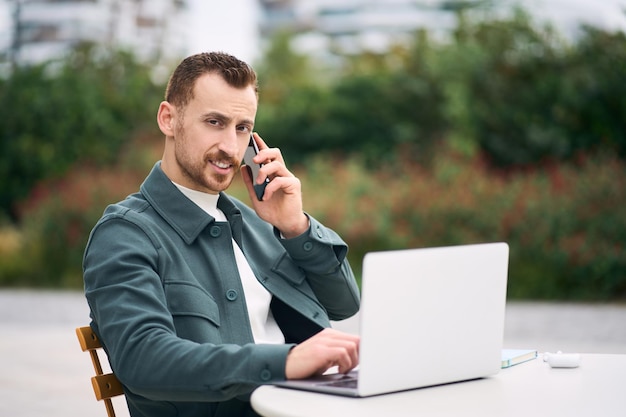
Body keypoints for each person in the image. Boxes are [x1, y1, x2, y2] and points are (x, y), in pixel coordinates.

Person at [82, 51, 361, 417]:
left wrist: (296, 228)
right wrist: (285, 360)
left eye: (242, 128)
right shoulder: (125, 234)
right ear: (169, 119)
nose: (231, 147)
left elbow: (344, 304)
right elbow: (143, 360)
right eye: (215, 122)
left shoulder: (259, 224)